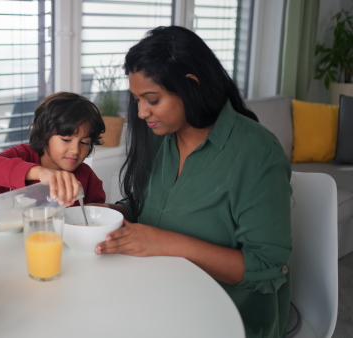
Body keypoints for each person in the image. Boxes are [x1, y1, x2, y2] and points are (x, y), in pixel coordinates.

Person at [94, 26, 292, 338]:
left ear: (191, 85)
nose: (142, 112)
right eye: (136, 99)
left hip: (228, 315)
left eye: (152, 99)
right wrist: (102, 213)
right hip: (158, 294)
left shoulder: (257, 153)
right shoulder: (160, 134)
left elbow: (268, 267)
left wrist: (167, 243)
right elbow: (147, 207)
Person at [0, 91, 107, 206]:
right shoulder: (21, 155)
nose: (75, 150)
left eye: (84, 143)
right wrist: (39, 173)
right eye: (66, 140)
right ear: (44, 135)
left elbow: (95, 213)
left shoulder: (87, 176)